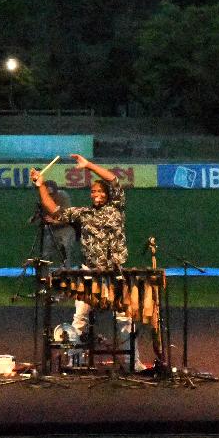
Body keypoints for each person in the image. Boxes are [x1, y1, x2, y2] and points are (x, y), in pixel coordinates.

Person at [31, 154, 143, 370]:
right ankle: (75, 359)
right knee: (80, 318)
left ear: (109, 195)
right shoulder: (84, 213)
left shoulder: (117, 208)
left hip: (114, 273)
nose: (97, 194)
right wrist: (41, 186)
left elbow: (113, 180)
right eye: (93, 191)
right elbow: (54, 211)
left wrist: (88, 166)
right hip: (89, 273)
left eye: (100, 192)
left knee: (124, 320)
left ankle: (132, 361)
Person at [37, 180, 78, 269]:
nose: (49, 196)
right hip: (51, 229)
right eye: (47, 194)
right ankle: (44, 275)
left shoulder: (63, 197)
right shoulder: (43, 198)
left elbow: (68, 217)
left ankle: (67, 273)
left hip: (65, 228)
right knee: (45, 253)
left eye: (51, 194)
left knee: (66, 251)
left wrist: (54, 221)